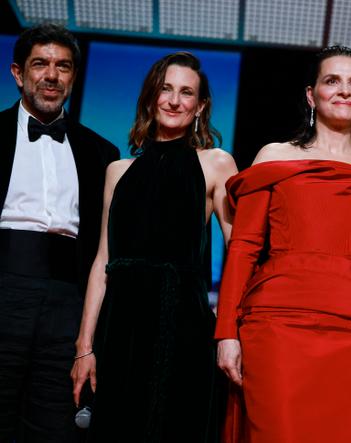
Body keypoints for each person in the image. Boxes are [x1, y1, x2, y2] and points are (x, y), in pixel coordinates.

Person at [216, 45, 351, 443]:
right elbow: (244, 248)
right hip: (276, 327)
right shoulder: (274, 156)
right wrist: (226, 333)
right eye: (332, 80)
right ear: (310, 94)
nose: (344, 90)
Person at [69, 52, 238, 442]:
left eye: (186, 92)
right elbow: (102, 263)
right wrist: (84, 346)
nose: (174, 100)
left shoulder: (216, 163)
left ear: (201, 105)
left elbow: (239, 254)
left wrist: (232, 332)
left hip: (183, 328)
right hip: (119, 329)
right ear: (150, 97)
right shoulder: (118, 172)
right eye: (166, 89)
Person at [0, 24, 119, 442]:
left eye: (63, 66)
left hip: (68, 303)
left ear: (73, 77)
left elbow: (105, 248)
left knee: (54, 424)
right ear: (18, 73)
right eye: (41, 64)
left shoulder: (102, 152)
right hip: (4, 288)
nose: (52, 75)